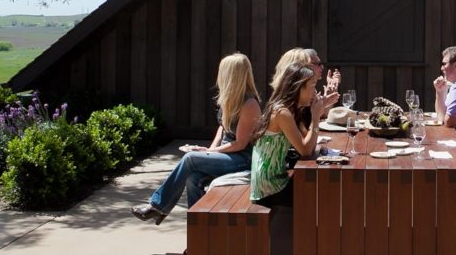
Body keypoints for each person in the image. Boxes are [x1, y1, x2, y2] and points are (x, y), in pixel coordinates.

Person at [130, 53, 262, 224]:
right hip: (227, 154)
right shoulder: (228, 99)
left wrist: (211, 152)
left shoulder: (249, 104)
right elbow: (222, 129)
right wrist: (208, 151)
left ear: (232, 75)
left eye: (222, 72)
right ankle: (197, 236)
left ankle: (158, 206)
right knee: (193, 179)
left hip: (243, 159)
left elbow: (240, 143)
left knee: (190, 158)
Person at [249, 64, 333, 206]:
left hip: (278, 179)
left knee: (325, 187)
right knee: (324, 192)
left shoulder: (292, 110)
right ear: (299, 87)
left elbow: (309, 145)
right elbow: (305, 150)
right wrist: (315, 118)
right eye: (312, 86)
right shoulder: (282, 112)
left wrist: (317, 112)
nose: (315, 92)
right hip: (269, 187)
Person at [272, 47, 340, 95]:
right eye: (318, 64)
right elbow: (312, 115)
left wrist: (330, 93)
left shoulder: (307, 88)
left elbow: (321, 113)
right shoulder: (291, 94)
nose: (322, 67)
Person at [432, 45, 456, 129]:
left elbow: (449, 122)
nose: (441, 68)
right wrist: (440, 92)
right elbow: (441, 117)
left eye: (444, 64)